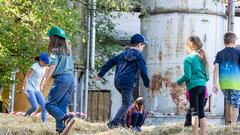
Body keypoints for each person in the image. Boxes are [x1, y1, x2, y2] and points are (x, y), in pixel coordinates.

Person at [96, 34, 150, 129]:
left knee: (130, 102)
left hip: (118, 82)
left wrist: (101, 73)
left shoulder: (122, 54)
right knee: (127, 104)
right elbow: (143, 70)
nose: (143, 47)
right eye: (143, 45)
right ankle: (113, 123)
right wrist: (147, 83)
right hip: (127, 82)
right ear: (138, 45)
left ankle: (122, 123)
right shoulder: (139, 56)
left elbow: (110, 62)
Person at [42, 26, 75, 134]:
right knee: (60, 106)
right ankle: (61, 130)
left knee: (49, 104)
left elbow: (52, 67)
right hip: (71, 79)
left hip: (62, 79)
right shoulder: (68, 51)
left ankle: (66, 118)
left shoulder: (55, 51)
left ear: (53, 38)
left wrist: (44, 80)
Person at [177, 36, 209, 135]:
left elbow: (187, 75)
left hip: (193, 87)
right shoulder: (203, 58)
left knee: (194, 112)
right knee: (201, 113)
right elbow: (207, 77)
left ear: (189, 46)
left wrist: (178, 81)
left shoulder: (188, 59)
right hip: (203, 87)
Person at [213, 32, 240, 125]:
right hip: (236, 83)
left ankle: (227, 124)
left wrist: (214, 84)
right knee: (236, 106)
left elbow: (216, 68)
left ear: (224, 42)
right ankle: (232, 128)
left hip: (223, 83)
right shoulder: (238, 52)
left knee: (229, 104)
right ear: (234, 41)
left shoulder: (219, 53)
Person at [23, 52, 49, 123]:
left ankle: (44, 124)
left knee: (44, 106)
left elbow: (43, 77)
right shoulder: (34, 67)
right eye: (44, 62)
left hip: (36, 89)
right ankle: (25, 116)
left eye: (46, 63)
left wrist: (42, 84)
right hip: (29, 88)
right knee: (35, 106)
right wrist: (25, 90)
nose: (45, 64)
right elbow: (26, 78)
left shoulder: (44, 67)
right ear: (40, 60)